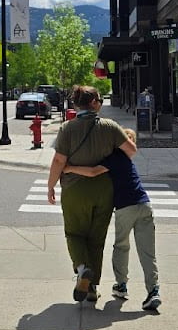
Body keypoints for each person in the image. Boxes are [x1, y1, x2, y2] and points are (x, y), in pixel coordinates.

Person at [47, 85, 134, 305]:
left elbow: (59, 160)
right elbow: (131, 150)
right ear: (94, 103)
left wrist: (51, 185)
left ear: (76, 104)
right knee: (97, 240)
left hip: (75, 190)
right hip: (104, 189)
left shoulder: (67, 129)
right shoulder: (110, 127)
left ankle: (82, 268)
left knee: (74, 234)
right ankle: (92, 287)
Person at [64, 127, 161, 311]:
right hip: (145, 204)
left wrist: (69, 168)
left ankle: (121, 285)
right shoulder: (128, 160)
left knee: (122, 246)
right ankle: (153, 291)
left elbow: (92, 172)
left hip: (125, 208)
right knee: (147, 251)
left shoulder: (114, 158)